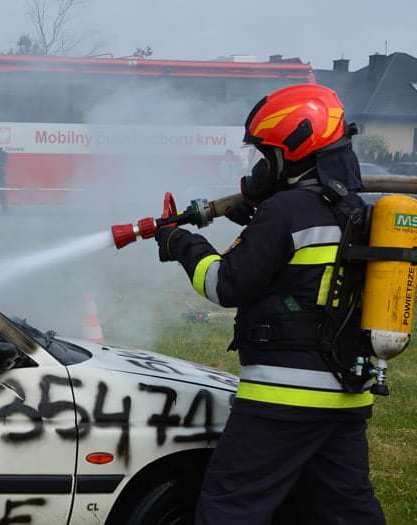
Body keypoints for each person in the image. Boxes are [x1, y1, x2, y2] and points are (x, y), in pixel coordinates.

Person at [154, 84, 385, 524]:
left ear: (293, 152)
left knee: (230, 506)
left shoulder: (288, 210)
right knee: (346, 511)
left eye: (266, 155)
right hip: (347, 393)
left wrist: (183, 242)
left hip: (284, 395)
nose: (260, 167)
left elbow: (225, 284)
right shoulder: (353, 209)